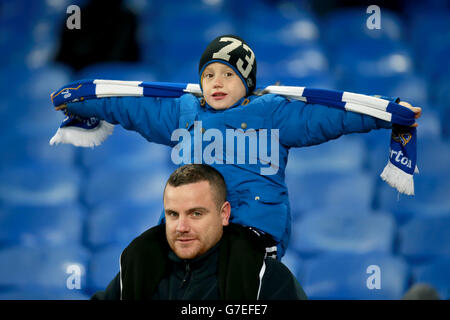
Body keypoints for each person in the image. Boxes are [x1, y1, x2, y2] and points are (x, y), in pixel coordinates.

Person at [59, 34, 422, 259]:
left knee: (234, 266)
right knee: (138, 257)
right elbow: (129, 105)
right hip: (191, 231)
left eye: (228, 74)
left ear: (247, 82)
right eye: (208, 74)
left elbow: (329, 116)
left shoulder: (273, 114)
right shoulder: (180, 112)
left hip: (254, 230)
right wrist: (78, 103)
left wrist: (384, 110)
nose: (216, 82)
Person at [92, 164, 307, 300]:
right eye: (173, 214)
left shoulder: (264, 276)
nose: (182, 227)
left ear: (224, 214)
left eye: (196, 214)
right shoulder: (139, 264)